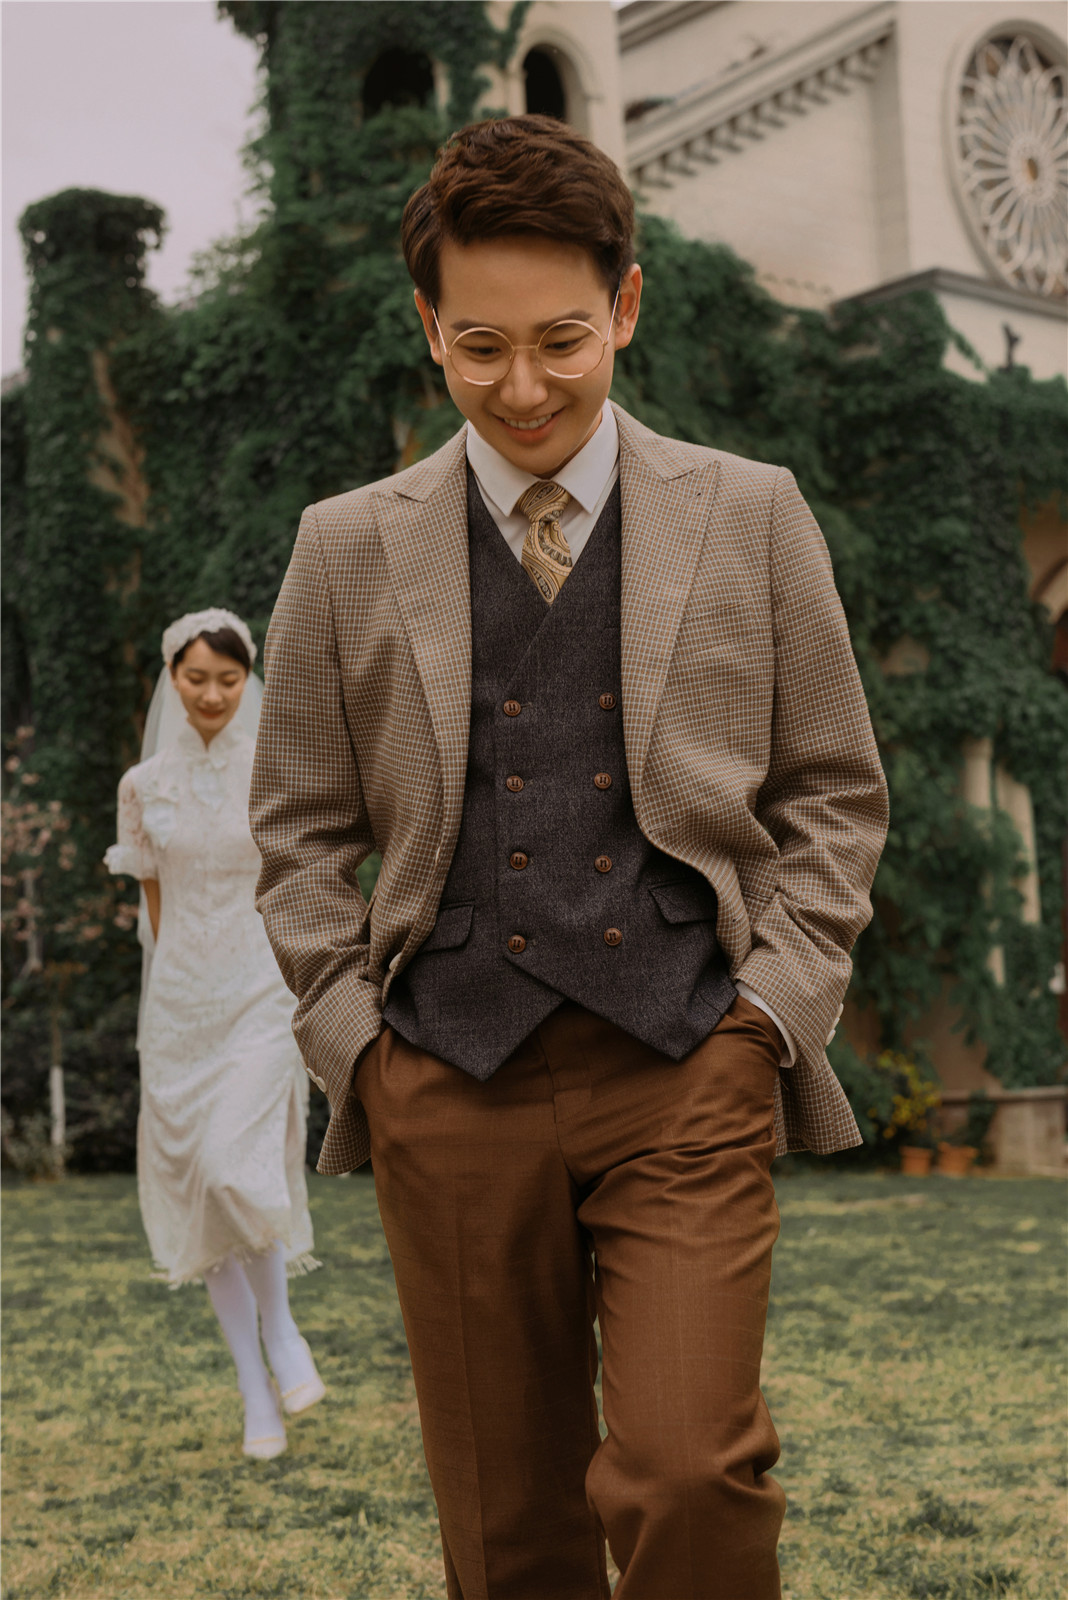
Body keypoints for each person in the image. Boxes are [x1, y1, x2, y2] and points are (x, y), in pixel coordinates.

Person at [251, 116, 888, 1595]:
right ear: (430, 326)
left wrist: (770, 1015)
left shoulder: (752, 513)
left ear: (626, 306)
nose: (524, 388)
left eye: (560, 340)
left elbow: (835, 791)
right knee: (509, 1529)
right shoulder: (343, 545)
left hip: (686, 1066)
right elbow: (295, 828)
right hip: (446, 1082)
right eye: (480, 347)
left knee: (689, 1471)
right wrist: (360, 1050)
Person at [106, 608, 326, 1461]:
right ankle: (253, 1390)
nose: (211, 694)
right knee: (203, 1187)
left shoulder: (274, 767)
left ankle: (282, 1330)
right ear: (171, 677)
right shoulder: (142, 786)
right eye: (196, 678)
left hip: (261, 995)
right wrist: (172, 994)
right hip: (180, 1009)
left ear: (248, 679)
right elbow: (155, 911)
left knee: (238, 1168)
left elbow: (298, 878)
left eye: (228, 680)